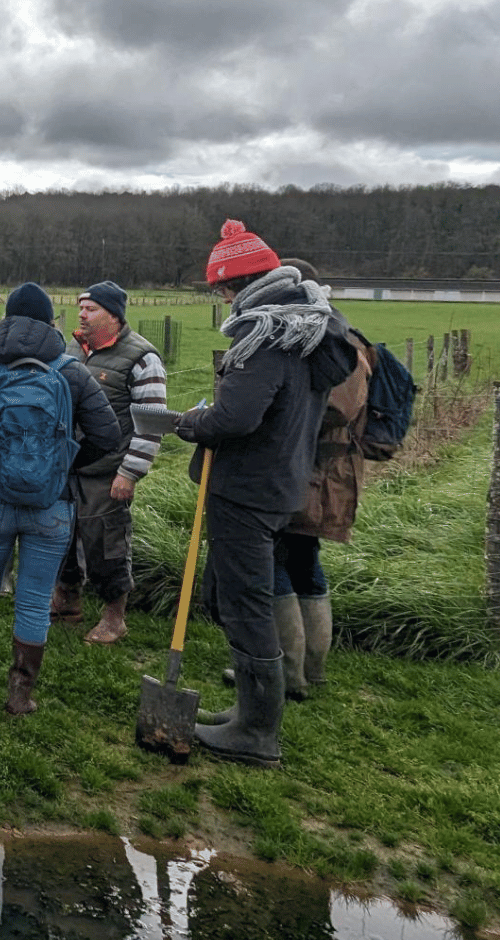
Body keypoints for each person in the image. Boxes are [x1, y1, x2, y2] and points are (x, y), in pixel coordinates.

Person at [176, 221, 356, 766]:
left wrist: (191, 422)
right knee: (244, 597)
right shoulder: (307, 329)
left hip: (248, 489)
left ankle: (256, 732)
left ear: (241, 285)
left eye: (223, 290)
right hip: (281, 481)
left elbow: (236, 416)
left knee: (246, 603)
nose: (223, 300)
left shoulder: (267, 337)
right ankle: (249, 714)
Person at [0, 283, 120, 714]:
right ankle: (19, 695)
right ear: (48, 321)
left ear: (6, 319)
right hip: (51, 504)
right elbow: (109, 436)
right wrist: (66, 464)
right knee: (36, 597)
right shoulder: (71, 370)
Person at [205, 257, 371, 708]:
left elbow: (301, 408)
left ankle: (287, 672)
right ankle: (308, 669)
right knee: (306, 565)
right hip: (326, 470)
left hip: (296, 466)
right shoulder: (346, 340)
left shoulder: (304, 341)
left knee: (276, 566)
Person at [51, 281, 167, 645]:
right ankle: (67, 601)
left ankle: (114, 617)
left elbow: (151, 423)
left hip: (108, 471)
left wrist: (130, 472)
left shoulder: (141, 357)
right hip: (68, 466)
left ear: (113, 315)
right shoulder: (71, 349)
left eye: (91, 309)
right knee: (61, 536)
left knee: (107, 545)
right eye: (80, 307)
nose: (81, 314)